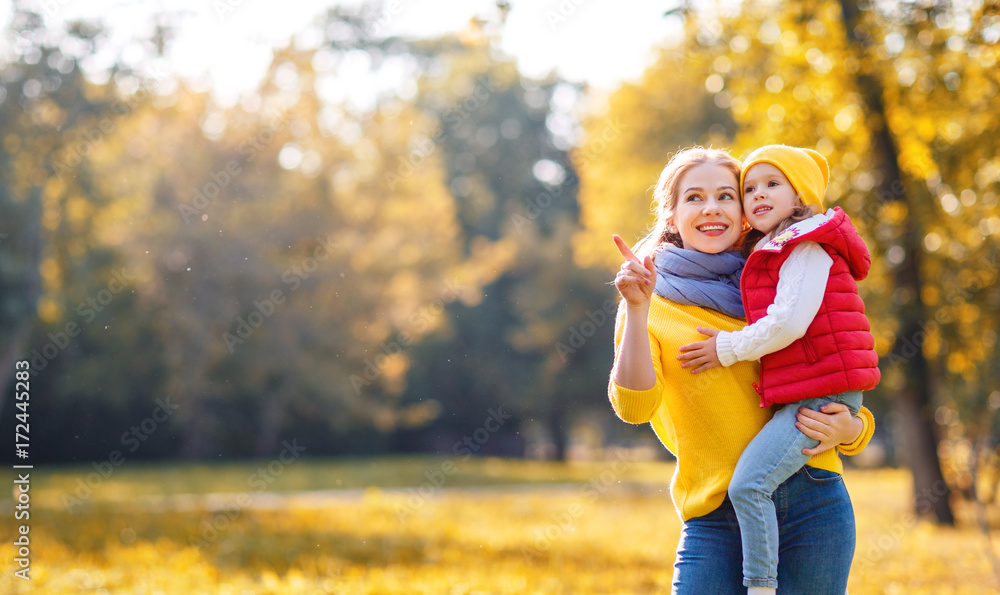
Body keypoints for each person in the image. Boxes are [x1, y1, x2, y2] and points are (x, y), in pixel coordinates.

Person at [610, 146, 875, 595]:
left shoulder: (784, 280)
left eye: (725, 196)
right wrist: (636, 311)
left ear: (746, 211)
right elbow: (635, 408)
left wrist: (853, 429)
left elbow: (840, 368)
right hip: (716, 516)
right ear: (672, 215)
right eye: (694, 197)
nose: (711, 208)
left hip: (813, 501)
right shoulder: (652, 301)